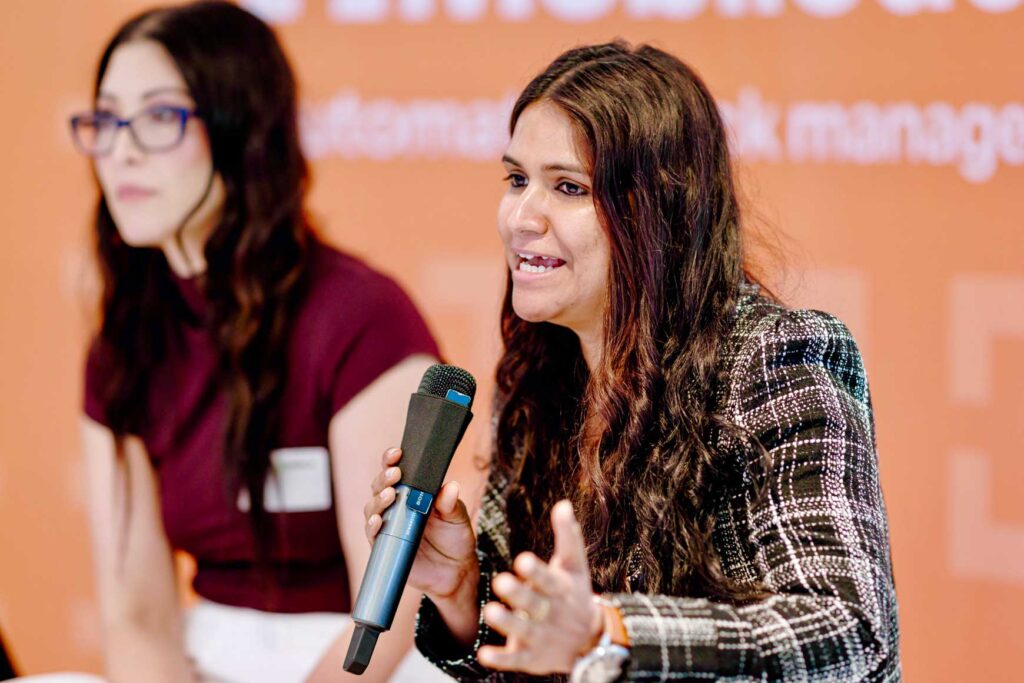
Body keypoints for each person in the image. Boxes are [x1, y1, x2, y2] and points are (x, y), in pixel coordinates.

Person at [362, 41, 901, 681]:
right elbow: (533, 660)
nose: (520, 218)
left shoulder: (775, 360)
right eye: (516, 180)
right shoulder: (539, 373)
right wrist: (460, 589)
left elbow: (850, 632)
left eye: (568, 187)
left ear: (658, 212)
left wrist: (607, 633)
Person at [73, 2, 447, 681]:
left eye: (159, 117)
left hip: (364, 659)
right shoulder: (125, 344)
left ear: (242, 129)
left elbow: (392, 607)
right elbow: (137, 616)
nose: (121, 150)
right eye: (106, 120)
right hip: (211, 651)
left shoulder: (360, 316)